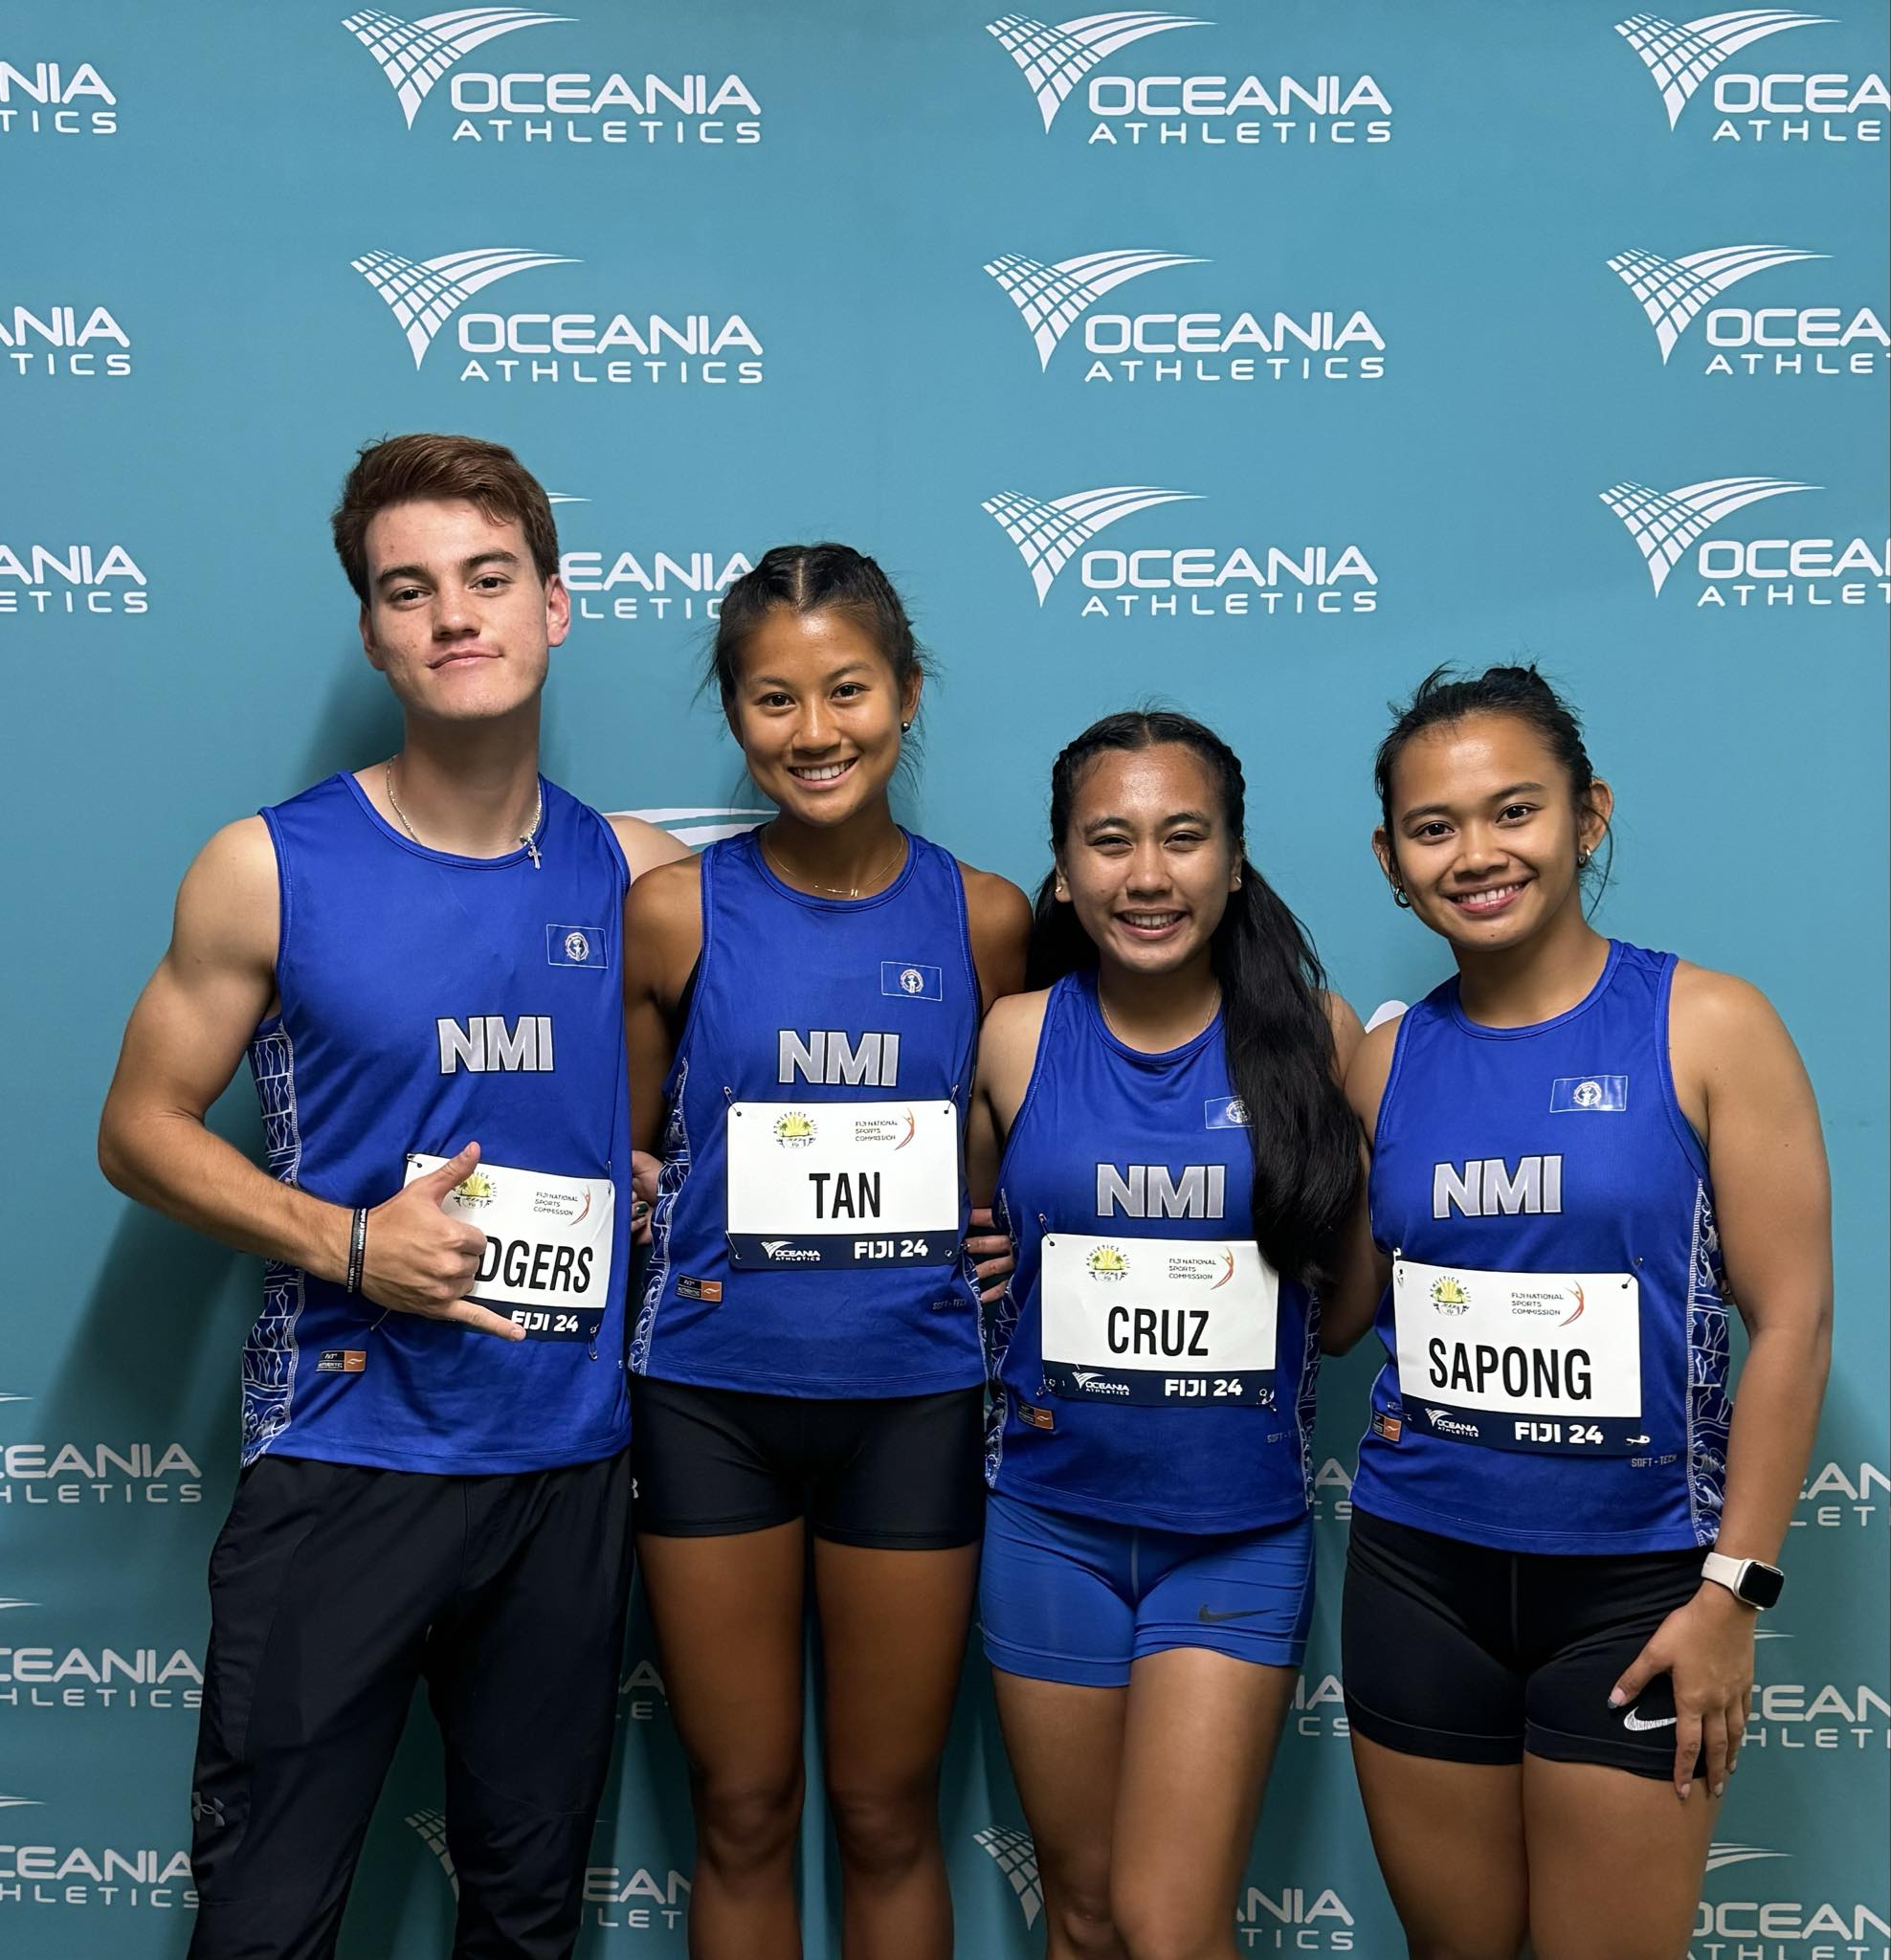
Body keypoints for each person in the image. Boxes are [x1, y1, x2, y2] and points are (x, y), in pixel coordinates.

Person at [96, 432, 687, 1960]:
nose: (453, 616)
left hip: (566, 1465)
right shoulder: (266, 867)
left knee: (526, 1919)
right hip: (343, 1454)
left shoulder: (636, 877)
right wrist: (350, 1240)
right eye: (408, 591)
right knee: (268, 1921)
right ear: (372, 632)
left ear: (556, 606)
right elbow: (139, 1127)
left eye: (488, 580)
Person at [1324, 664, 1832, 1960]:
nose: (1477, 854)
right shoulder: (1383, 1063)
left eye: (1515, 812)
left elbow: (1793, 1320)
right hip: (1417, 1579)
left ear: (1587, 815)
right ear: (1391, 858)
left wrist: (1732, 1593)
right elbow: (1335, 1318)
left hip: (1639, 1592)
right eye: (1435, 829)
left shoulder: (1708, 1025)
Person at [622, 543, 1031, 1959]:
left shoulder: (986, 918)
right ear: (737, 718)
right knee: (739, 1803)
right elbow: (633, 1162)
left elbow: (1008, 1152)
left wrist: (1005, 1240)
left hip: (909, 1399)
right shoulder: (674, 910)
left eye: (847, 690)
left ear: (906, 695)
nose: (816, 733)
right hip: (711, 1398)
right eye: (775, 700)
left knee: (884, 1808)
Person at [967, 711, 1363, 1960]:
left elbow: (1343, 1310)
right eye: (1112, 842)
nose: (1148, 876)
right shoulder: (1018, 1037)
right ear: (1067, 865)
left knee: (1171, 1926)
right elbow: (982, 1238)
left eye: (1184, 839)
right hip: (1047, 1528)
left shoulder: (1317, 1036)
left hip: (1232, 1543)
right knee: (1080, 1919)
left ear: (1234, 861)